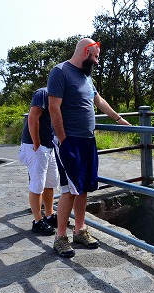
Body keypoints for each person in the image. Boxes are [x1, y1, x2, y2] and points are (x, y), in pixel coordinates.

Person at [47, 38, 131, 258]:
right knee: (71, 189)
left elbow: (98, 100)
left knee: (83, 187)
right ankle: (60, 237)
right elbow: (53, 108)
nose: (96, 61)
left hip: (87, 140)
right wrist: (63, 140)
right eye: (95, 56)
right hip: (70, 140)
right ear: (86, 52)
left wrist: (118, 118)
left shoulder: (86, 76)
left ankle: (80, 230)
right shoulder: (60, 72)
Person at [18, 87, 59, 236]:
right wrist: (37, 144)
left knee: (50, 182)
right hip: (37, 146)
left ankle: (49, 215)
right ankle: (37, 221)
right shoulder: (43, 93)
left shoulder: (58, 95)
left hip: (49, 145)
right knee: (37, 184)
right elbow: (32, 117)